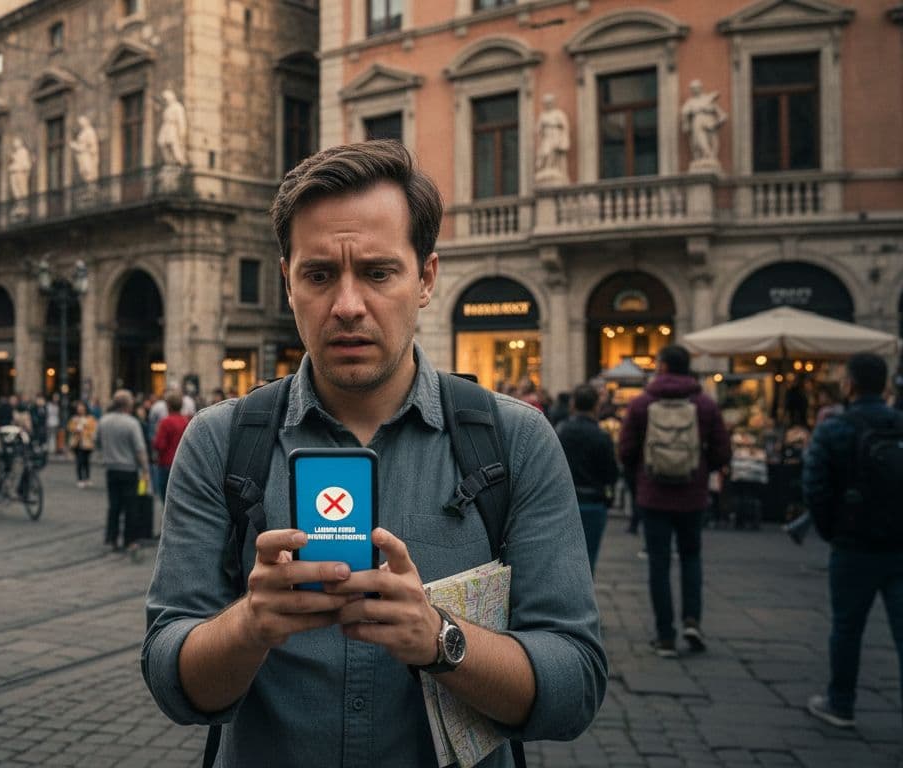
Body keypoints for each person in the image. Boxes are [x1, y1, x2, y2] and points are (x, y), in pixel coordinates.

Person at [143, 140, 605, 766]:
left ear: (426, 279)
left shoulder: (516, 441)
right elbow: (173, 677)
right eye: (319, 274)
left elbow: (573, 685)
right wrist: (250, 624)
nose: (348, 305)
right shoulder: (220, 440)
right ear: (287, 282)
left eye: (379, 272)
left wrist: (439, 638)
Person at [801, 353, 903, 730]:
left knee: (846, 628)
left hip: (854, 546)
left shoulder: (835, 428)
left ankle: (841, 703)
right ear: (886, 385)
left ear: (850, 384)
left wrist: (834, 531)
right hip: (899, 546)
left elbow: (814, 488)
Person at [619, 345, 731, 657]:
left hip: (653, 495)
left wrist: (641, 472)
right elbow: (723, 452)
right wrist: (700, 466)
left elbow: (625, 451)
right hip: (693, 496)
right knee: (691, 558)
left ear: (663, 367)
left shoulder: (641, 404)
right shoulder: (705, 405)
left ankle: (665, 635)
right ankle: (692, 620)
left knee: (659, 562)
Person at [555, 385, 619, 575]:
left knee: (562, 556)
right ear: (596, 407)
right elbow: (611, 472)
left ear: (573, 405)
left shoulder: (560, 431)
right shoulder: (601, 436)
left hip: (564, 501)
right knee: (589, 556)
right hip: (593, 502)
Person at [95, 389, 149, 553]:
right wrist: (145, 470)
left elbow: (96, 442)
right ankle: (130, 540)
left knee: (114, 505)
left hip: (111, 468)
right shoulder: (131, 423)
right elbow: (140, 449)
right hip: (129, 469)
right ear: (128, 405)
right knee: (130, 505)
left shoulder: (103, 421)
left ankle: (112, 538)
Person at [150, 390, 189, 505]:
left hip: (166, 463)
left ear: (168, 405)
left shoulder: (165, 422)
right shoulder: (186, 421)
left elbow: (159, 445)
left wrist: (154, 441)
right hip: (181, 463)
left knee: (165, 497)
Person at [67, 401, 97, 488]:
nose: (80, 409)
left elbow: (93, 429)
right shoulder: (74, 418)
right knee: (79, 461)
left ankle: (87, 478)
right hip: (77, 442)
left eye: (82, 407)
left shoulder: (90, 418)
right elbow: (70, 428)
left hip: (87, 443)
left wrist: (85, 429)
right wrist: (75, 428)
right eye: (79, 408)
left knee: (86, 461)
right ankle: (80, 479)